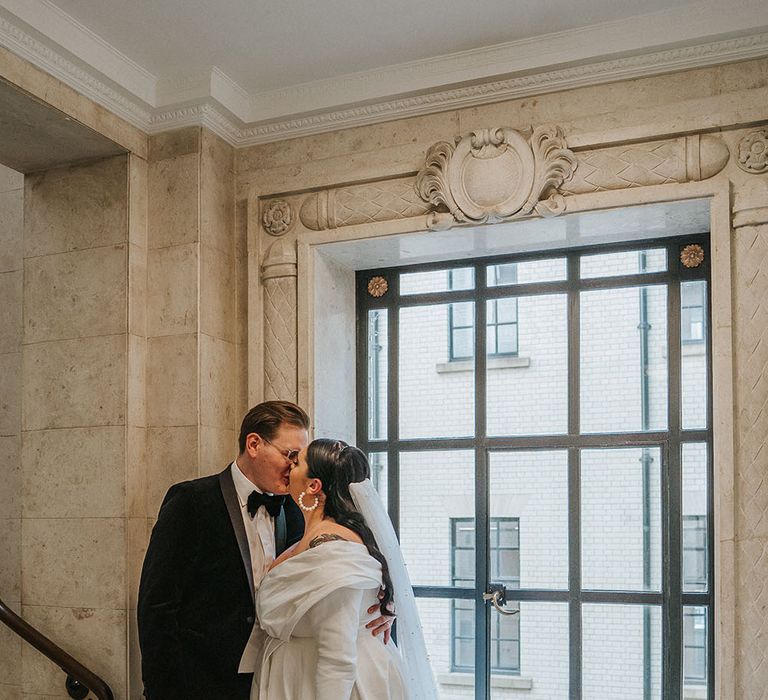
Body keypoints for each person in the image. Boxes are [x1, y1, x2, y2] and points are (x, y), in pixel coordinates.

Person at [137, 401, 394, 700]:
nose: (294, 466)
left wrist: (382, 604)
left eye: (299, 457)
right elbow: (157, 605)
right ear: (255, 443)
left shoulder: (301, 509)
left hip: (278, 681)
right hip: (204, 681)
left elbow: (343, 573)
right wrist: (162, 690)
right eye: (290, 455)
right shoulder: (191, 501)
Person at [243, 439, 438, 700]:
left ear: (314, 485)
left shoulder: (335, 553)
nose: (290, 464)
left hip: (328, 685)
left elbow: (338, 659)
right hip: (299, 676)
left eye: (297, 461)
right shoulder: (315, 533)